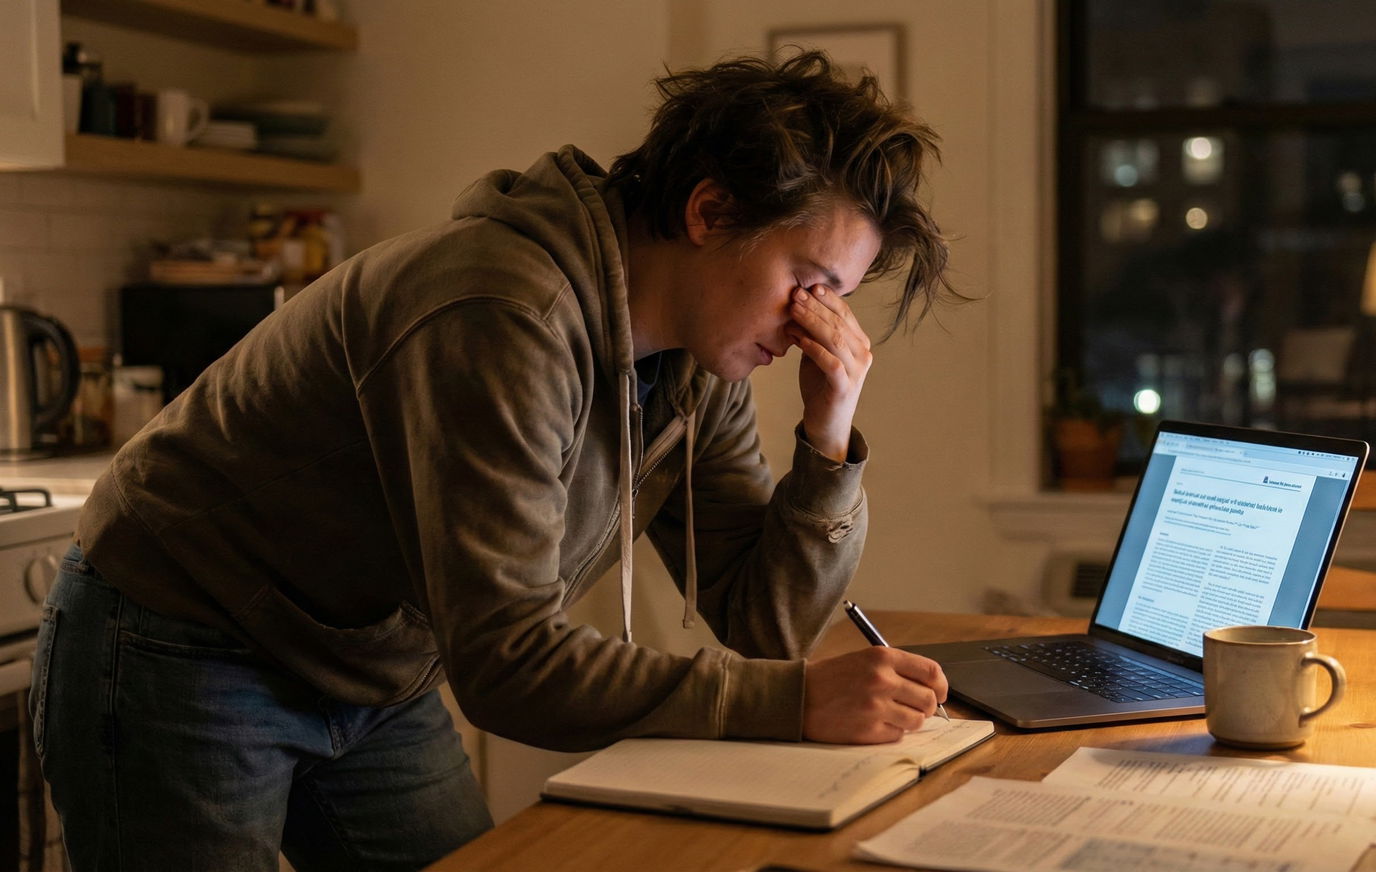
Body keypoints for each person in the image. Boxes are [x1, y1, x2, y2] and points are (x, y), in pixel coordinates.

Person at [29, 51, 957, 871]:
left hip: (367, 665)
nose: (814, 329)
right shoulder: (502, 313)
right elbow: (510, 663)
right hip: (181, 636)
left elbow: (765, 618)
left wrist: (828, 437)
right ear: (710, 211)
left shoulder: (694, 364)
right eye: (809, 284)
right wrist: (790, 703)